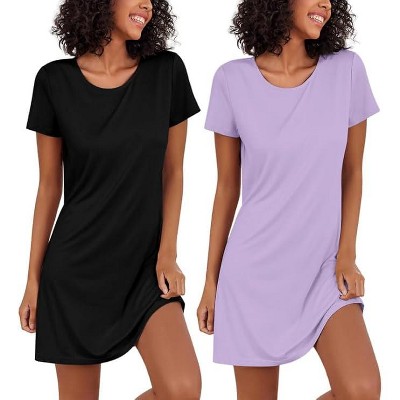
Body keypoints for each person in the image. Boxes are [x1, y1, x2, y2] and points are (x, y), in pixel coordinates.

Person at [197, 0, 381, 399]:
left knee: (361, 389)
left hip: (324, 268)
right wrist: (211, 283)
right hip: (253, 275)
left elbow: (352, 172)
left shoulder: (347, 70)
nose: (325, 4)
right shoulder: (231, 80)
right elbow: (226, 189)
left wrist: (347, 254)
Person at [18, 0, 201, 399]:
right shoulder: (54, 81)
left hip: (146, 269)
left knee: (182, 389)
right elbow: (48, 188)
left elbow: (173, 172)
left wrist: (167, 253)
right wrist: (33, 281)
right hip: (76, 274)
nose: (146, 5)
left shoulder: (166, 72)